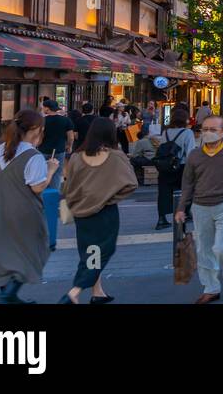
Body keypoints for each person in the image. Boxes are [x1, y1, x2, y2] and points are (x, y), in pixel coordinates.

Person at [0, 109, 58, 304]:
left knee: (3, 251)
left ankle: (9, 295)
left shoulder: (2, 149)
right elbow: (37, 187)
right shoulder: (33, 155)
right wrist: (51, 170)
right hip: (24, 210)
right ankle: (7, 295)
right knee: (34, 248)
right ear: (36, 129)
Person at [58, 117, 137, 304]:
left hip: (81, 213)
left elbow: (69, 185)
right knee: (102, 251)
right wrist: (109, 198)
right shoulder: (116, 156)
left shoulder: (77, 157)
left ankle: (98, 292)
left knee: (90, 252)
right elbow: (131, 183)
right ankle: (74, 292)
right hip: (105, 213)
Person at [175, 114, 223, 303]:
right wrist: (181, 207)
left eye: (213, 130)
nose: (207, 133)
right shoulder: (194, 154)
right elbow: (188, 183)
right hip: (200, 207)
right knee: (204, 250)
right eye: (204, 129)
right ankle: (211, 288)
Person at [154, 107, 196, 230]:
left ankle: (162, 219)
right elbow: (190, 152)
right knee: (187, 190)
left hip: (166, 166)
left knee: (163, 192)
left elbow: (163, 148)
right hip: (181, 166)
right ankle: (186, 213)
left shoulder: (165, 132)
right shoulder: (188, 133)